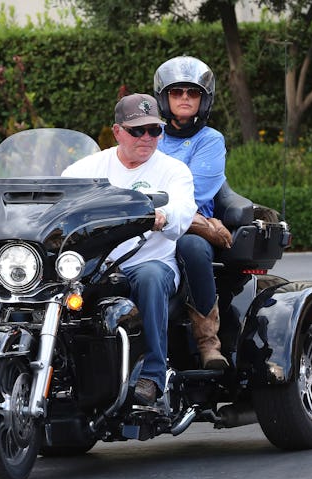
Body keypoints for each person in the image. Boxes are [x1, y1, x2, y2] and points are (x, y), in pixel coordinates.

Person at [62, 93, 197, 405]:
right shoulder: (89, 169)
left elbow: (182, 211)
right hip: (98, 265)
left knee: (150, 278)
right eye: (138, 130)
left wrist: (163, 216)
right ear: (117, 132)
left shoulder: (173, 171)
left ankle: (152, 375)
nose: (147, 138)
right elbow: (59, 194)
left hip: (150, 262)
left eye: (155, 130)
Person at [153, 56, 231, 370]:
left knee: (193, 249)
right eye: (177, 92)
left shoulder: (210, 140)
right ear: (164, 97)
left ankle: (208, 343)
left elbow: (194, 195)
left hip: (191, 224)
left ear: (203, 99)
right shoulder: (148, 135)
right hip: (143, 223)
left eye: (193, 92)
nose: (185, 98)